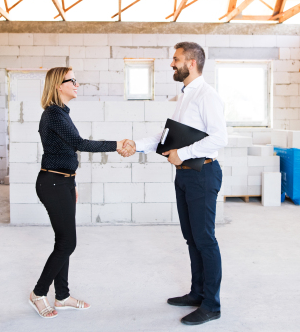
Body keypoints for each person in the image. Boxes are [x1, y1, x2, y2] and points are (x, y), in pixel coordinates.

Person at [119, 42, 228, 326]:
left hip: (202, 172)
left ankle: (211, 305)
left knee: (205, 239)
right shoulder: (185, 96)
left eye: (176, 59)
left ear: (191, 62)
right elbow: (168, 135)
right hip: (186, 174)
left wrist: (183, 153)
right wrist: (136, 144)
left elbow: (219, 138)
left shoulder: (207, 95)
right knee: (192, 238)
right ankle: (197, 293)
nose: (172, 64)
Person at [29, 67, 129, 319]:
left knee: (64, 242)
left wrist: (71, 184)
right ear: (58, 85)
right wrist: (117, 144)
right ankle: (38, 293)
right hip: (52, 183)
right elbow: (79, 144)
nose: (77, 84)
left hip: (62, 183)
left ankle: (61, 296)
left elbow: (67, 151)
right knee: (67, 243)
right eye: (71, 80)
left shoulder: (61, 113)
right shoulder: (53, 114)